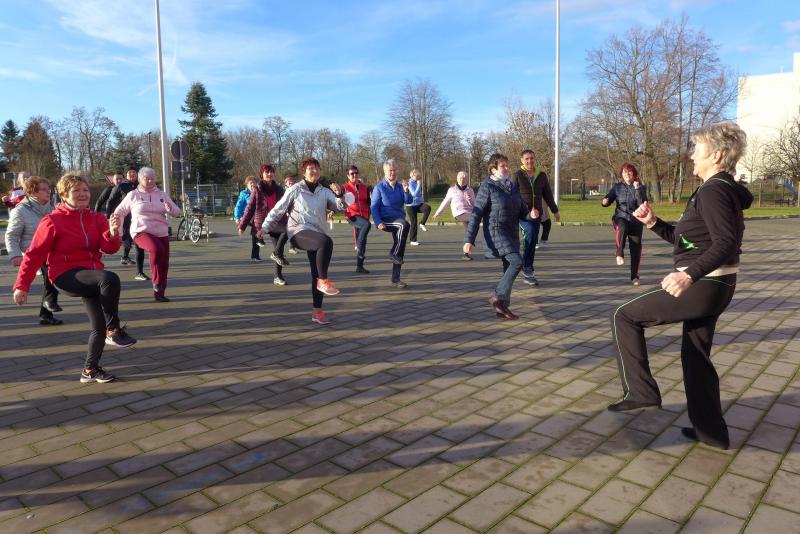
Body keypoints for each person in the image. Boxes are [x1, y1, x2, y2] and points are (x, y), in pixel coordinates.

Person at [608, 122, 753, 451]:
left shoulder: (714, 190)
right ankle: (711, 433)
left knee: (623, 316)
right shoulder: (719, 189)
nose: (691, 156)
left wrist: (688, 276)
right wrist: (654, 223)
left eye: (696, 149)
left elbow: (726, 243)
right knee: (695, 356)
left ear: (716, 155)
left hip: (704, 285)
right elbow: (687, 240)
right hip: (717, 285)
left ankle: (641, 392)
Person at [12, 173, 136, 383]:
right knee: (110, 279)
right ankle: (113, 329)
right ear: (63, 195)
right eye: (76, 190)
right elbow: (34, 255)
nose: (82, 194)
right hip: (65, 275)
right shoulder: (52, 221)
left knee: (98, 325)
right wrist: (21, 285)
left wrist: (113, 232)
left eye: (85, 190)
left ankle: (90, 370)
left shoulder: (96, 218)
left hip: (92, 275)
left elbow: (108, 248)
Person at [261, 158, 345, 325]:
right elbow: (278, 209)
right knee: (326, 243)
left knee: (317, 273)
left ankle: (317, 312)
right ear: (304, 172)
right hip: (298, 231)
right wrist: (265, 226)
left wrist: (339, 195)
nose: (314, 171)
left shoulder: (324, 191)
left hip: (317, 234)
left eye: (317, 168)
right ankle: (323, 281)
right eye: (310, 168)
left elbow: (339, 207)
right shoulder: (295, 189)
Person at [465, 153, 528, 319]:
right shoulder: (488, 186)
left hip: (512, 232)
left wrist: (532, 215)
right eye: (502, 166)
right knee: (517, 262)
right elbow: (476, 214)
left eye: (507, 165)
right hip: (496, 231)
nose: (506, 168)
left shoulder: (512, 187)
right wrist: (469, 240)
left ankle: (502, 308)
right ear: (493, 169)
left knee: (509, 267)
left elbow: (523, 212)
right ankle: (497, 295)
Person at [114, 167, 180, 302]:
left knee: (164, 262)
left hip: (161, 232)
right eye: (146, 178)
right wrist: (118, 232)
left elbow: (177, 212)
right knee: (156, 249)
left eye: (152, 178)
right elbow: (119, 212)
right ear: (140, 179)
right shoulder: (133, 195)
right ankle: (156, 282)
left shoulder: (161, 194)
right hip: (141, 230)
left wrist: (170, 209)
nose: (150, 181)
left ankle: (160, 293)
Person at [5, 176, 63, 326]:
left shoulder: (52, 208)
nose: (49, 192)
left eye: (49, 189)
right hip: (34, 250)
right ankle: (49, 302)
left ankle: (46, 313)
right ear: (32, 192)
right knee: (51, 273)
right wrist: (15, 255)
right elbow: (11, 235)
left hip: (52, 249)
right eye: (44, 189)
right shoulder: (20, 211)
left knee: (54, 274)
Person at [511, 149, 560, 286]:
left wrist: (555, 210)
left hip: (537, 215)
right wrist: (524, 210)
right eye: (526, 158)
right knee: (530, 235)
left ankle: (527, 267)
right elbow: (512, 197)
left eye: (531, 158)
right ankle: (527, 270)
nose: (529, 161)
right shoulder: (517, 175)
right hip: (522, 215)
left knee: (532, 241)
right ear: (522, 160)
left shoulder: (541, 175)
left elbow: (548, 194)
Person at [239, 165, 289, 285]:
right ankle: (275, 254)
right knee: (284, 236)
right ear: (262, 174)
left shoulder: (279, 189)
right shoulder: (257, 190)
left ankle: (278, 276)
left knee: (279, 249)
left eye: (271, 172)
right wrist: (242, 226)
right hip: (263, 223)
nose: (269, 174)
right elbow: (250, 208)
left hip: (277, 221)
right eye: (267, 172)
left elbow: (286, 204)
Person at [602, 163, 647, 285]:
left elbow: (642, 204)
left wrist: (637, 189)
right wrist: (605, 202)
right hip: (620, 217)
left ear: (634, 174)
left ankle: (634, 276)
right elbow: (608, 199)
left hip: (636, 221)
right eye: (624, 172)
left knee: (636, 249)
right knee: (622, 226)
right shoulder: (617, 187)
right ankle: (619, 253)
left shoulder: (641, 188)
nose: (626, 174)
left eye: (629, 172)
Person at [371, 159, 413, 288]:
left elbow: (409, 201)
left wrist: (406, 191)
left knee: (400, 245)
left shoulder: (400, 186)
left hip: (398, 220)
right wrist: (378, 222)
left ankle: (396, 279)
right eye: (390, 170)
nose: (393, 173)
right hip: (386, 220)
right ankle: (392, 253)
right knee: (404, 225)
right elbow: (374, 207)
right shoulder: (379, 188)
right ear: (385, 171)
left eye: (394, 170)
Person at [106, 166, 147, 277]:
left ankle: (139, 272)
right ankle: (125, 257)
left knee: (139, 245)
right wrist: (109, 216)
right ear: (126, 175)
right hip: (125, 219)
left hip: (138, 219)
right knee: (126, 238)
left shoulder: (141, 186)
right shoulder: (121, 186)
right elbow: (110, 201)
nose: (132, 174)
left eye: (134, 172)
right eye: (130, 172)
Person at [433, 171, 476, 260]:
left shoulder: (470, 190)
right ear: (457, 179)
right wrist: (438, 212)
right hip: (459, 212)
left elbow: (474, 203)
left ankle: (466, 253)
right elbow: (445, 202)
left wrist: (470, 200)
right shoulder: (452, 190)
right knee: (473, 223)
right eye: (460, 178)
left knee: (469, 231)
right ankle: (470, 243)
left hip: (469, 212)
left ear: (467, 179)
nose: (462, 180)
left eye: (464, 178)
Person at [343, 165, 372, 273]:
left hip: (364, 215)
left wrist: (371, 197)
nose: (354, 175)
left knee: (363, 240)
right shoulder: (344, 187)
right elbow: (338, 200)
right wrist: (332, 211)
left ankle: (359, 266)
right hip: (352, 215)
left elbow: (367, 201)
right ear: (348, 175)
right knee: (366, 225)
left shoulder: (364, 187)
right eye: (352, 173)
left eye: (356, 173)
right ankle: (358, 243)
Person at [234, 176, 259, 261]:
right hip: (247, 216)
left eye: (254, 182)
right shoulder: (244, 193)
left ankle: (255, 256)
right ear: (247, 184)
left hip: (257, 216)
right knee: (257, 230)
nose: (252, 184)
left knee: (256, 233)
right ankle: (255, 255)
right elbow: (239, 206)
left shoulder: (259, 192)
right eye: (250, 183)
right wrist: (237, 217)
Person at [404, 169, 431, 246]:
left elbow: (419, 194)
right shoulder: (410, 183)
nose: (418, 177)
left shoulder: (416, 182)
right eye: (416, 176)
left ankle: (422, 223)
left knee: (427, 208)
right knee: (414, 222)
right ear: (412, 176)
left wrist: (422, 200)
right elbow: (414, 194)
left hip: (418, 204)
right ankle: (413, 240)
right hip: (410, 206)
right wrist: (419, 185)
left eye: (418, 176)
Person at [283, 175, 299, 255]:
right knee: (286, 232)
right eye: (288, 181)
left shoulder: (297, 190)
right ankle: (279, 249)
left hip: (295, 213)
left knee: (294, 230)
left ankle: (292, 247)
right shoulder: (283, 191)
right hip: (286, 214)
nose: (290, 182)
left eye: (291, 180)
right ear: (285, 183)